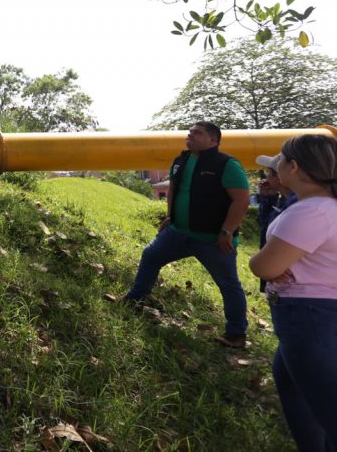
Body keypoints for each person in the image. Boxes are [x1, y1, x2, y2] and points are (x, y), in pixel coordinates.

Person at [122, 121, 251, 347]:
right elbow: (174, 190)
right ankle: (135, 299)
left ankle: (236, 334)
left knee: (229, 285)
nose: (190, 136)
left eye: (197, 133)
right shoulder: (180, 161)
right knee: (151, 255)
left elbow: (241, 200)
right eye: (189, 133)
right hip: (178, 233)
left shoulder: (227, 164)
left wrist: (227, 231)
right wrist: (170, 216)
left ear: (213, 140)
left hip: (213, 240)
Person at [249, 134, 337, 450]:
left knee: (329, 409)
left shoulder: (310, 212)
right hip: (312, 314)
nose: (273, 170)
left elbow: (264, 267)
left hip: (308, 317)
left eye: (279, 162)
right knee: (291, 383)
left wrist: (265, 260)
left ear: (294, 166)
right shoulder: (321, 207)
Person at [254, 153, 299, 291]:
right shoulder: (282, 199)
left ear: (278, 177)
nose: (266, 176)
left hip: (292, 283)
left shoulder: (298, 205)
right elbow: (266, 224)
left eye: (268, 172)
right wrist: (268, 199)